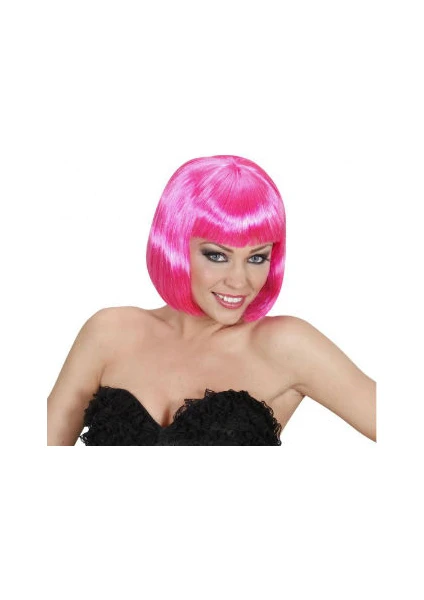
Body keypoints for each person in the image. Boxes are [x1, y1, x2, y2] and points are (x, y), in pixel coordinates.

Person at [47, 155, 376, 446]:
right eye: (217, 255)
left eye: (257, 258)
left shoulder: (286, 344)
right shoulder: (109, 333)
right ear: (176, 245)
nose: (239, 280)